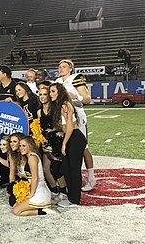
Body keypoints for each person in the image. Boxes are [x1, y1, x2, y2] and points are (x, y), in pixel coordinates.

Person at [55, 59, 96, 192]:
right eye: (60, 67)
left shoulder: (75, 79)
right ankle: (70, 178)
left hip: (76, 117)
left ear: (71, 69)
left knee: (83, 147)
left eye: (64, 67)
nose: (61, 69)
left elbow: (87, 99)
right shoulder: (57, 82)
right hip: (62, 118)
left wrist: (76, 96)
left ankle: (91, 177)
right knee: (65, 147)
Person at [49, 83, 87, 207]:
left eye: (53, 91)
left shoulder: (65, 105)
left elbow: (70, 127)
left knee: (74, 170)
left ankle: (74, 200)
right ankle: (71, 197)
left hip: (74, 138)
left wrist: (64, 144)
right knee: (65, 168)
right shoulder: (61, 105)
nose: (51, 94)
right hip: (71, 137)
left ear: (59, 92)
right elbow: (65, 126)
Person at [12, 136, 54, 216]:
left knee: (17, 211)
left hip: (40, 193)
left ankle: (43, 211)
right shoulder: (29, 157)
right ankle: (41, 209)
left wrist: (31, 194)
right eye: (20, 146)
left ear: (30, 146)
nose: (21, 148)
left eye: (24, 146)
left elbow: (35, 178)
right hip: (36, 190)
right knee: (14, 206)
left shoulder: (32, 157)